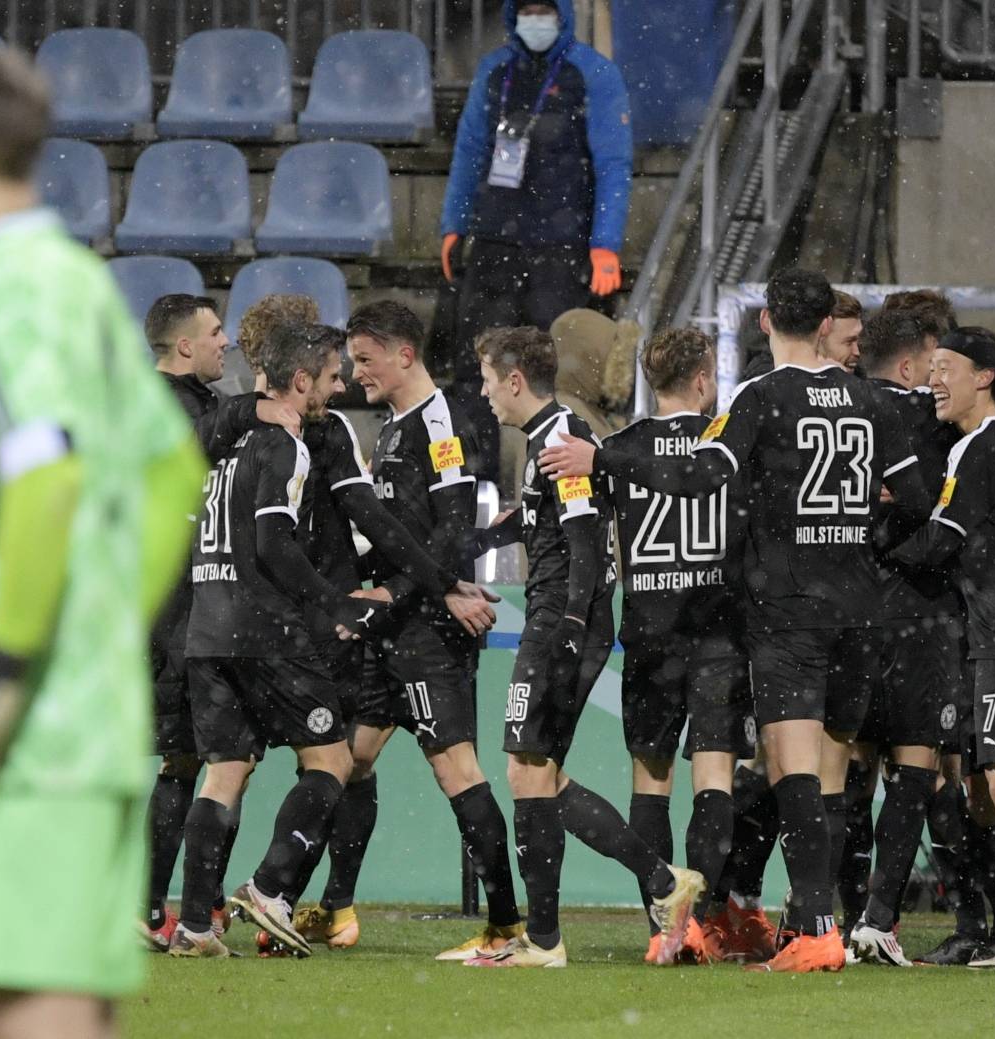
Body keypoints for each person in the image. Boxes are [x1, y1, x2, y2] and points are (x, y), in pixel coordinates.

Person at [0, 47, 205, 1039]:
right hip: (87, 720)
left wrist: (6, 680)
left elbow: (44, 468)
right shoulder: (77, 282)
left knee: (32, 1011)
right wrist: (100, 638)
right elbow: (171, 475)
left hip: (28, 736)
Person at [539, 267, 931, 973]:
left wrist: (606, 455)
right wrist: (862, 529)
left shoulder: (762, 394)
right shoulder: (874, 399)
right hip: (861, 608)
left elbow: (700, 475)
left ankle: (813, 928)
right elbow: (918, 496)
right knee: (836, 768)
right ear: (826, 327)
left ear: (763, 322)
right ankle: (821, 920)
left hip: (789, 610)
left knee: (791, 765)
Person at [470, 325, 704, 969]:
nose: (485, 394)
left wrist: (569, 625)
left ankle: (591, 917)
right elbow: (557, 519)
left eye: (490, 381)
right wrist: (489, 540)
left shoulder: (561, 439)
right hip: (565, 617)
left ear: (514, 381)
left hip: (558, 620)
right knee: (537, 773)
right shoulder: (554, 434)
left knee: (526, 769)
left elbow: (582, 539)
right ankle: (617, 904)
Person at [297, 302, 521, 961]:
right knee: (353, 761)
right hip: (395, 627)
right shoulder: (393, 427)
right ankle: (336, 908)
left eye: (364, 360)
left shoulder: (441, 419)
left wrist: (408, 589)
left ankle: (507, 927)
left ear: (403, 354)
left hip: (427, 631)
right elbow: (402, 535)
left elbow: (449, 532)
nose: (355, 372)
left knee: (456, 769)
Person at [172, 324, 389, 959]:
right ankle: (269, 888)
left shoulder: (222, 449)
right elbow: (273, 544)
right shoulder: (284, 446)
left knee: (225, 772)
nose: (340, 385)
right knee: (333, 760)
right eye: (330, 376)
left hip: (207, 627)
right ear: (302, 382)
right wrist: (334, 602)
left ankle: (193, 926)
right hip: (263, 630)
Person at [138, 293, 299, 951]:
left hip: (197, 607)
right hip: (180, 610)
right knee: (197, 759)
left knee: (218, 760)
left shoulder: (191, 406)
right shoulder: (163, 411)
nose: (222, 341)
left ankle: (182, 908)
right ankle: (162, 911)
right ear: (182, 347)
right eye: (211, 333)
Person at [601, 327, 752, 964]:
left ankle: (665, 924)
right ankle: (701, 922)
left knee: (651, 782)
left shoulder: (618, 448)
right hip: (718, 630)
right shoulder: (726, 446)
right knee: (714, 776)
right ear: (703, 378)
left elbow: (603, 540)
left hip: (649, 633)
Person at [440, 0, 633, 483]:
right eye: (526, 9)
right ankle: (475, 478)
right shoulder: (494, 71)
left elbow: (613, 164)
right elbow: (469, 151)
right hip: (494, 243)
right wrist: (453, 224)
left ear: (562, 14)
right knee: (476, 367)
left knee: (554, 372)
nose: (535, 19)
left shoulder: (594, 73)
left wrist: (605, 244)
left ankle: (553, 477)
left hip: (561, 249)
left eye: (544, 9)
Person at [888, 327, 995, 968]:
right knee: (977, 788)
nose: (933, 380)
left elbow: (941, 542)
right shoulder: (979, 444)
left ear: (984, 376)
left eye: (945, 368)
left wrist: (865, 553)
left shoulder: (990, 445)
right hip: (986, 632)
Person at [843, 310, 965, 966]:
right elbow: (936, 506)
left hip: (851, 610)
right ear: (915, 363)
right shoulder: (933, 418)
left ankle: (835, 912)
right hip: (920, 614)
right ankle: (880, 918)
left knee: (854, 765)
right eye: (936, 362)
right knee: (921, 766)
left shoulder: (840, 406)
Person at [819, 290, 863, 372]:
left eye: (859, 341)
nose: (857, 352)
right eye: (849, 342)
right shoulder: (791, 382)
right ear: (819, 340)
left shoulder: (866, 381)